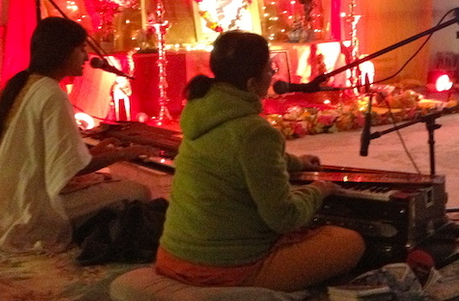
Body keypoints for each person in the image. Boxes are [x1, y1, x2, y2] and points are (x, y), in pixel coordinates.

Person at [156, 31, 365, 292]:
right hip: (224, 270)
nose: (273, 76)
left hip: (171, 257)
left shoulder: (202, 112)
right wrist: (318, 190)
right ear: (252, 83)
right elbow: (284, 218)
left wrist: (296, 163)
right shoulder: (255, 132)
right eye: (270, 69)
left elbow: (234, 158)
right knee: (349, 242)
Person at [0, 17, 153, 253]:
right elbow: (71, 170)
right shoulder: (51, 94)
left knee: (109, 185)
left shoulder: (24, 83)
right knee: (137, 191)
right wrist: (126, 153)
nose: (86, 57)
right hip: (33, 208)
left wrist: (96, 152)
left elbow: (41, 158)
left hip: (4, 200)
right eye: (82, 48)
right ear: (63, 51)